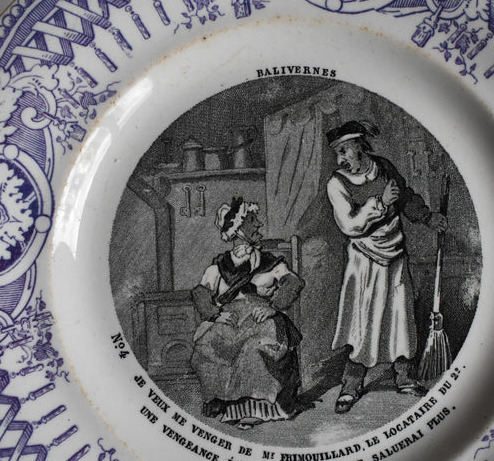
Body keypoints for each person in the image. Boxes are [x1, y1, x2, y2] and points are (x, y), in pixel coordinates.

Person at [326, 120, 446, 413]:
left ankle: (404, 377)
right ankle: (351, 384)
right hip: (364, 260)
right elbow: (350, 225)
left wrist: (428, 217)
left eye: (344, 151)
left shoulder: (384, 167)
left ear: (360, 145)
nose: (341, 160)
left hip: (395, 255)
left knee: (400, 316)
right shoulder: (336, 183)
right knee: (361, 322)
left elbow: (404, 197)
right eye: (337, 154)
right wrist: (380, 202)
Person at [190, 197, 304, 429]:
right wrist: (215, 314)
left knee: (252, 351)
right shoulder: (218, 267)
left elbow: (293, 282)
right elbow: (201, 293)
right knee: (204, 351)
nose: (258, 225)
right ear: (237, 228)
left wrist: (272, 307)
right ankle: (227, 404)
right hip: (230, 325)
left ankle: (258, 408)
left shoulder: (270, 263)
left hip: (263, 322)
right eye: (252, 220)